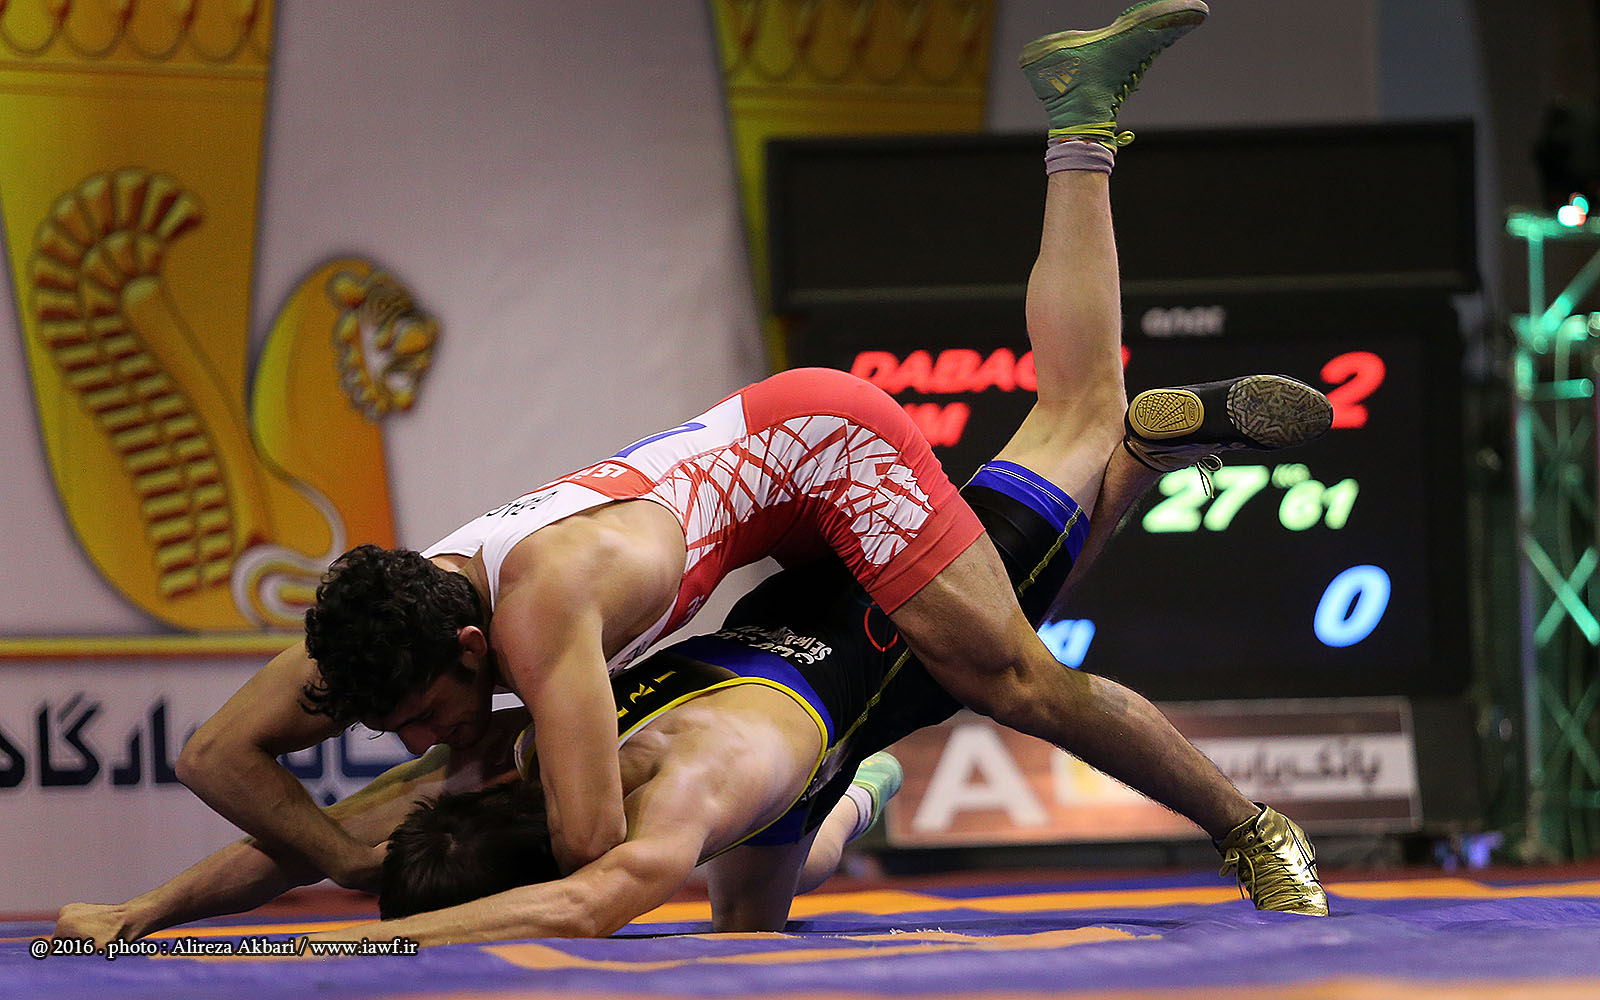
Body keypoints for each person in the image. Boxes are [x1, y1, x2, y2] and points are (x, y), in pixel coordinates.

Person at [171, 0, 1325, 915]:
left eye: (428, 712)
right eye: (404, 729)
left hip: (826, 450)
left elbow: (586, 854)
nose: (430, 737)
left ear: (473, 647)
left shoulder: (540, 614)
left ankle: (1253, 829)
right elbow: (219, 755)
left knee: (1012, 678)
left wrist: (385, 879)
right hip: (773, 508)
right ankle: (1088, 189)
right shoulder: (399, 618)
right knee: (744, 894)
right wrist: (176, 904)